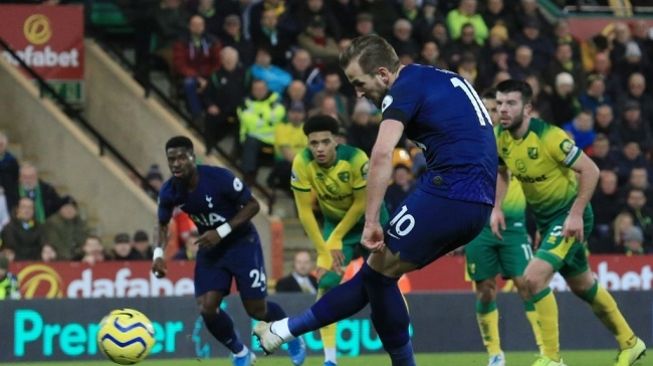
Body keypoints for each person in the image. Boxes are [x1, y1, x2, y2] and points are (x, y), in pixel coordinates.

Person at [254, 34, 497, 366]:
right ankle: (284, 330)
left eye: (359, 82)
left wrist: (371, 221)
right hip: (478, 203)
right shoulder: (443, 78)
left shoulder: (402, 89)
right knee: (379, 278)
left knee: (375, 275)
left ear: (383, 74)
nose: (358, 92)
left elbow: (382, 155)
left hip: (450, 192)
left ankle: (283, 330)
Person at [492, 79, 645, 366]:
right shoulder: (500, 137)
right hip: (547, 220)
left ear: (527, 108)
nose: (502, 109)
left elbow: (591, 170)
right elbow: (502, 172)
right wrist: (497, 207)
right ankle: (631, 343)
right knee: (583, 285)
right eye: (499, 103)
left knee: (533, 278)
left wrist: (575, 214)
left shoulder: (550, 137)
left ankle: (551, 358)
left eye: (510, 103)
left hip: (570, 215)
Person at [151, 136, 305, 366]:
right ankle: (241, 353)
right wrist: (158, 254)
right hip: (212, 249)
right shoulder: (169, 191)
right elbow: (162, 223)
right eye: (171, 159)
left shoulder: (218, 178)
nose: (176, 163)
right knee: (207, 307)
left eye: (181, 157)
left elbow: (253, 205)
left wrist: (221, 231)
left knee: (256, 309)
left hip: (242, 243)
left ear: (193, 157)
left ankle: (292, 336)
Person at [289, 114, 388, 366]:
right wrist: (323, 249)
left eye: (325, 142)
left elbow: (361, 203)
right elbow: (304, 212)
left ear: (337, 141)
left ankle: (401, 352)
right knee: (326, 285)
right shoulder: (301, 163)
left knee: (387, 283)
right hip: (334, 225)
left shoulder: (356, 159)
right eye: (314, 143)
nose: (319, 148)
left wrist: (336, 237)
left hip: (371, 221)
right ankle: (330, 359)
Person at [464, 89, 542, 366]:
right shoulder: (469, 143)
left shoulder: (517, 140)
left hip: (515, 224)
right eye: (486, 109)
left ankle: (546, 351)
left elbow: (535, 181)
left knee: (528, 284)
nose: (491, 114)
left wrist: (541, 221)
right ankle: (495, 354)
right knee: (485, 288)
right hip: (479, 226)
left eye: (495, 109)